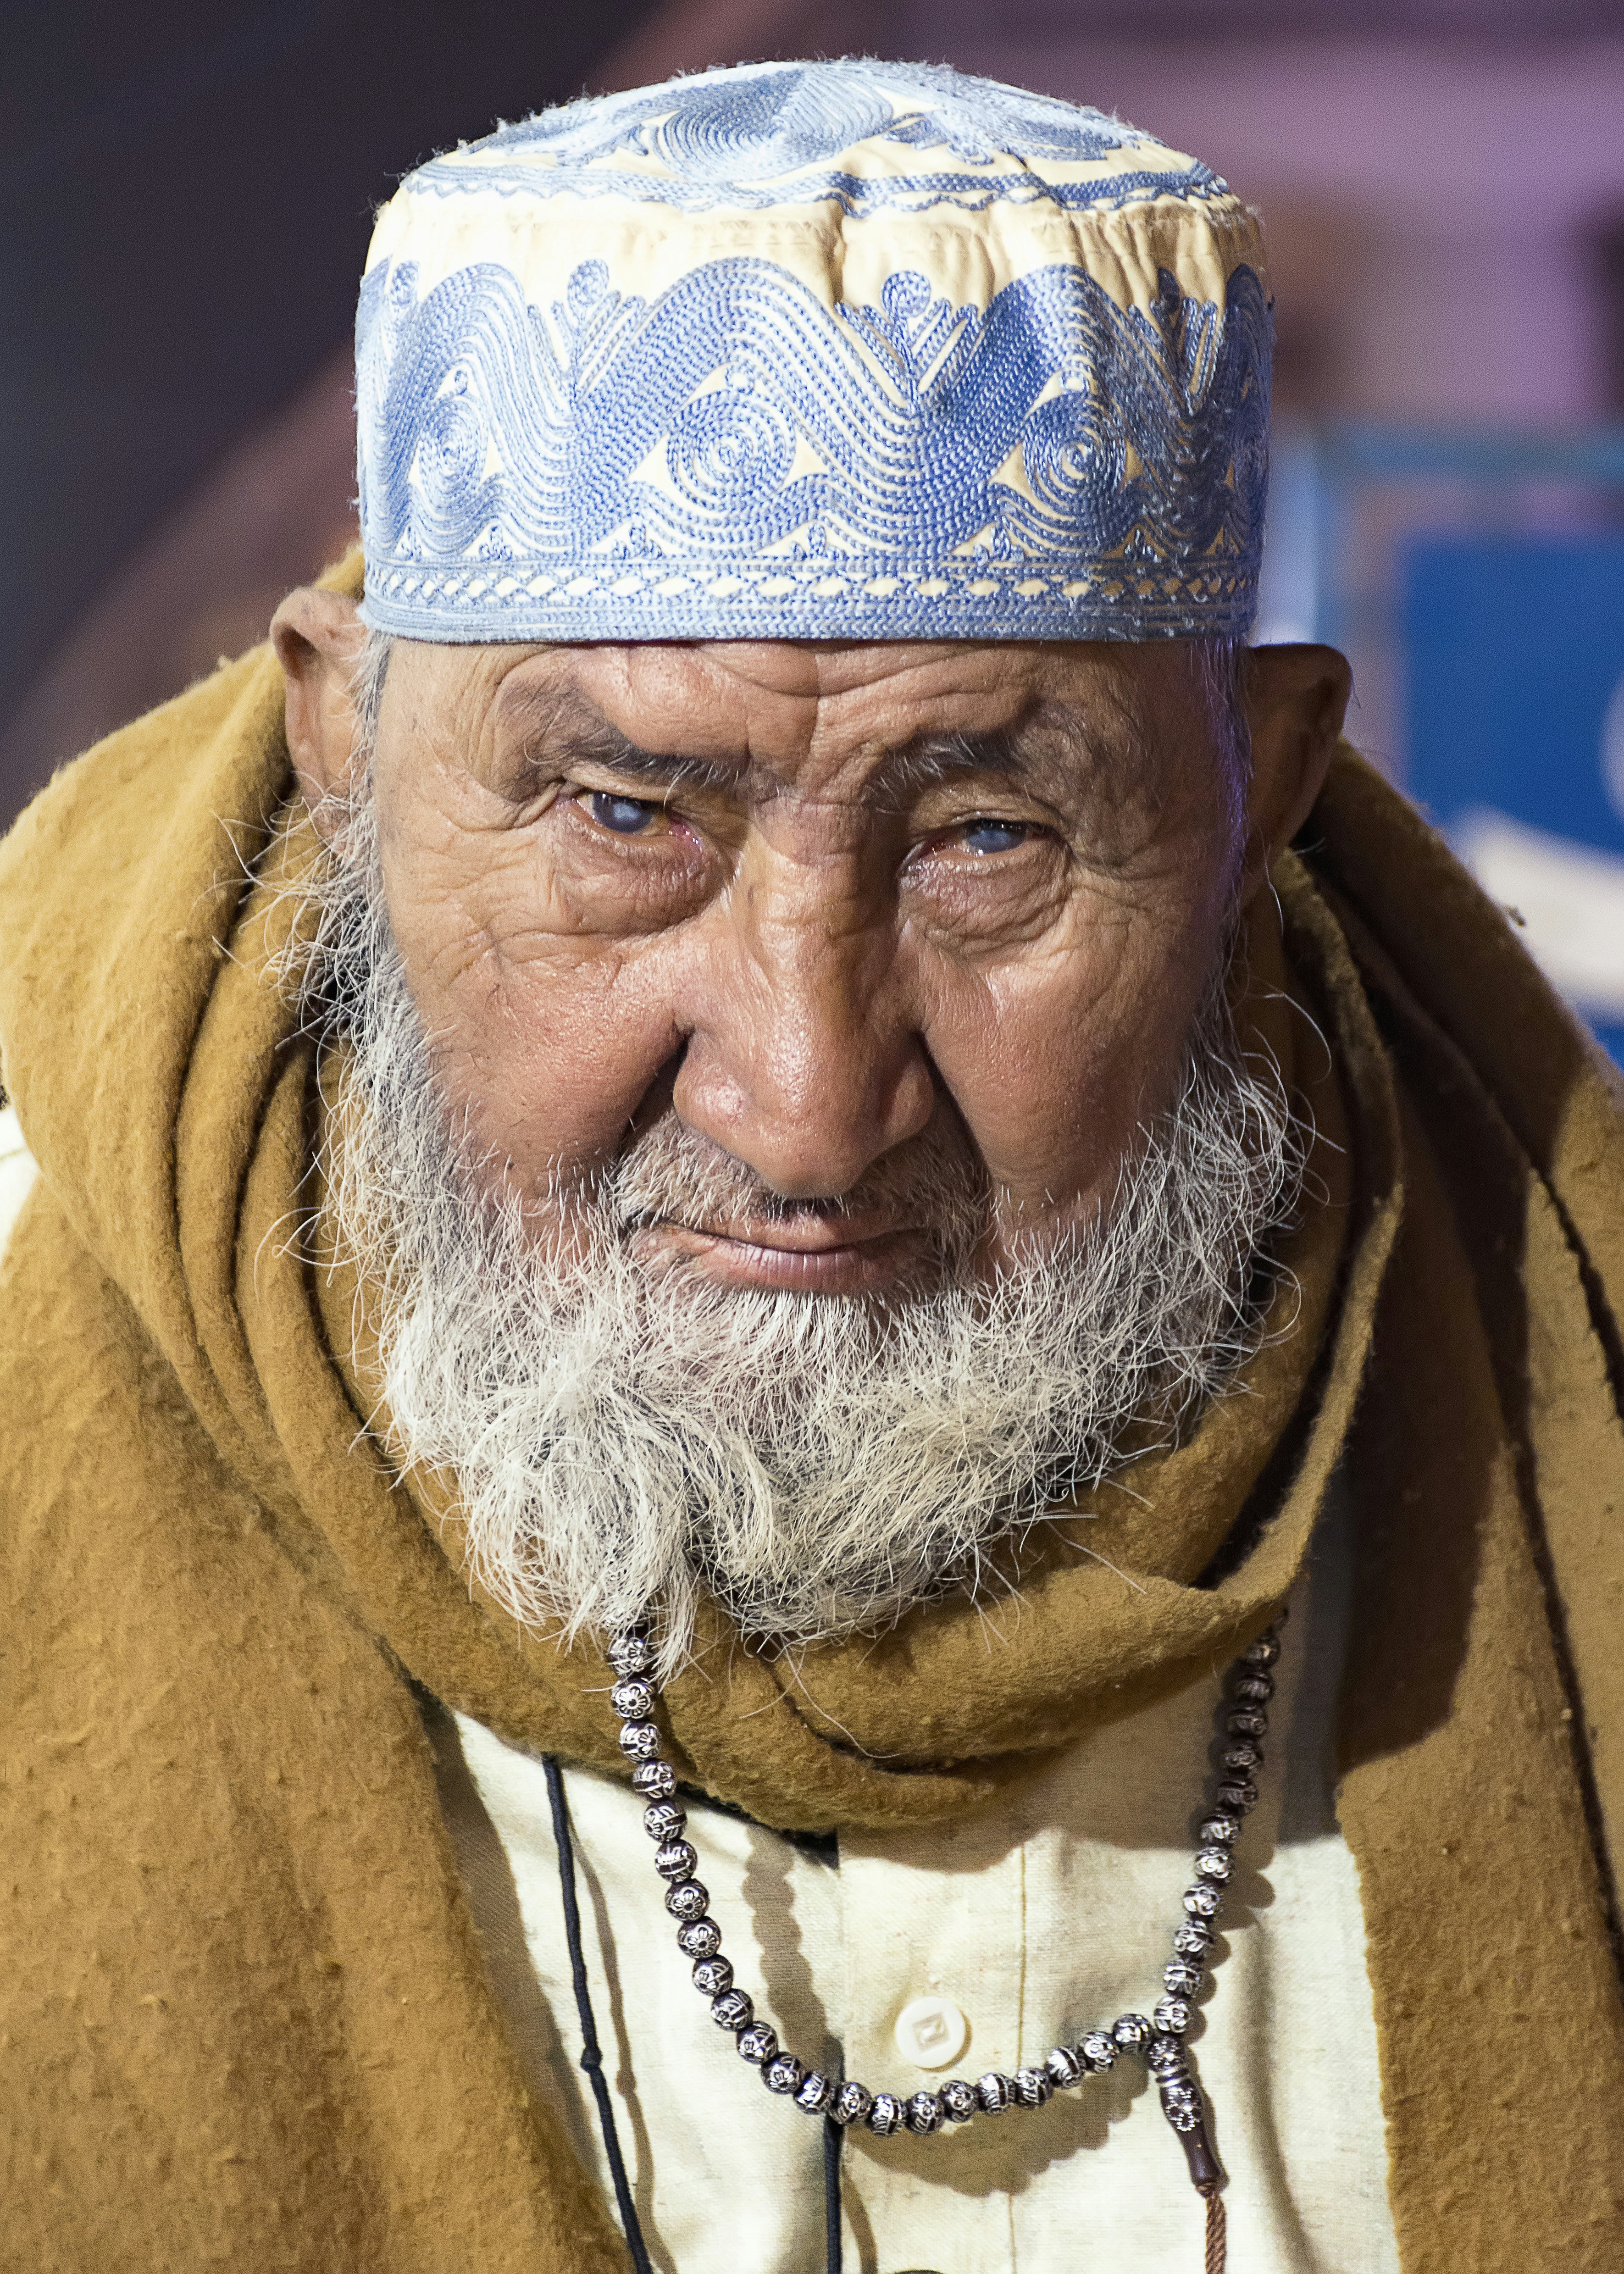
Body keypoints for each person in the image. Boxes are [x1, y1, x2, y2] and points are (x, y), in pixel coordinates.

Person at [1, 59, 1620, 2274]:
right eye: (624, 820)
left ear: (1261, 790)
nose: (803, 1100)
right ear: (345, 742)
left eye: (986, 839)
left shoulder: (1569, 1376)